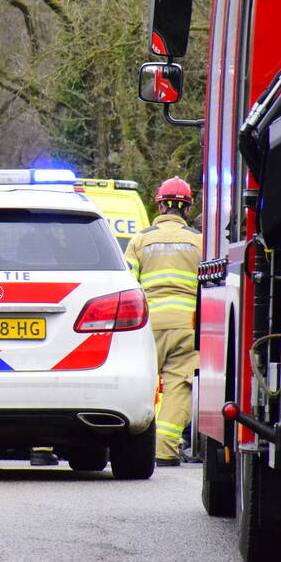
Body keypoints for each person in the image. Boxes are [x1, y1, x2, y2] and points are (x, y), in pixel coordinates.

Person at [124, 177, 203, 466]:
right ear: (188, 209)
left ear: (159, 204)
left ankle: (129, 446)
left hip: (147, 327)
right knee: (179, 386)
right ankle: (164, 450)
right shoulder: (199, 241)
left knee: (139, 383)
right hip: (187, 326)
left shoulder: (140, 240)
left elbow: (128, 285)